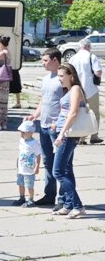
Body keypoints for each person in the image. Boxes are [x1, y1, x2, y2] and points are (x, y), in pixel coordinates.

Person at [25, 48, 64, 209]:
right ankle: (49, 195)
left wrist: (60, 122)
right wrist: (35, 115)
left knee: (61, 164)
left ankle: (63, 198)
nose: (43, 63)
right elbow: (44, 99)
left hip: (57, 127)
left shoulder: (63, 79)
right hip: (44, 124)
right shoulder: (47, 79)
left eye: (46, 60)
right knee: (47, 161)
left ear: (55, 60)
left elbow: (68, 103)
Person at [52, 63, 86, 219]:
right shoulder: (69, 90)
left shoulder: (76, 89)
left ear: (71, 76)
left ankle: (78, 206)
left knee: (57, 171)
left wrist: (61, 134)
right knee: (67, 170)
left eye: (61, 76)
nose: (59, 79)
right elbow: (65, 112)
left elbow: (73, 113)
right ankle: (69, 204)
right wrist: (56, 124)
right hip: (63, 132)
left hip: (67, 136)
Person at [68, 38, 103, 144]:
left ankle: (81, 137)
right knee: (94, 113)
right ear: (88, 46)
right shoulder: (91, 57)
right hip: (91, 89)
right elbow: (98, 72)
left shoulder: (73, 58)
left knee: (79, 112)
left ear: (80, 46)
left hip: (77, 90)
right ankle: (94, 136)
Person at [12, 120, 41, 208]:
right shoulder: (22, 141)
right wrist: (17, 162)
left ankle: (31, 199)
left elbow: (38, 155)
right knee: (20, 184)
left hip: (29, 168)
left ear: (30, 133)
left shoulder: (34, 143)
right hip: (21, 168)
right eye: (21, 132)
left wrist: (37, 167)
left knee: (29, 185)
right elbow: (20, 152)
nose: (21, 134)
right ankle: (22, 198)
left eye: (23, 132)